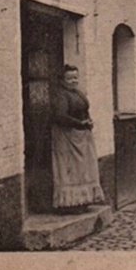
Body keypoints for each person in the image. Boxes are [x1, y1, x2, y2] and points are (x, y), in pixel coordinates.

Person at [50, 65, 106, 212]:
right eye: (69, 78)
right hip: (66, 137)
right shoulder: (60, 95)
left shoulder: (78, 93)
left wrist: (88, 120)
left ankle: (83, 201)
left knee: (83, 169)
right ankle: (70, 204)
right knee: (71, 170)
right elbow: (60, 116)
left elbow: (84, 110)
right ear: (62, 80)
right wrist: (80, 123)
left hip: (80, 136)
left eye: (75, 77)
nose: (73, 81)